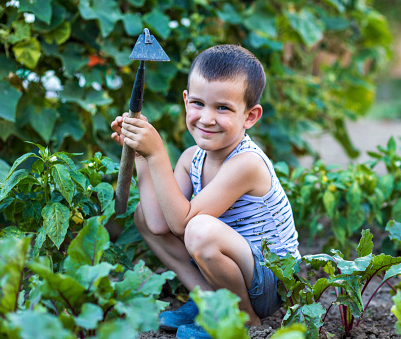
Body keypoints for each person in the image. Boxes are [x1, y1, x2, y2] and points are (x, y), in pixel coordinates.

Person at [110, 44, 300, 339]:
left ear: (250, 116)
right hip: (235, 267)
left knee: (198, 230)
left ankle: (242, 319)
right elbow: (159, 224)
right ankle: (208, 302)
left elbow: (182, 225)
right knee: (143, 217)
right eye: (198, 103)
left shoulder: (247, 163)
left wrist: (158, 152)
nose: (207, 118)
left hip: (269, 279)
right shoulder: (191, 159)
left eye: (223, 108)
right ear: (186, 101)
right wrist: (142, 157)